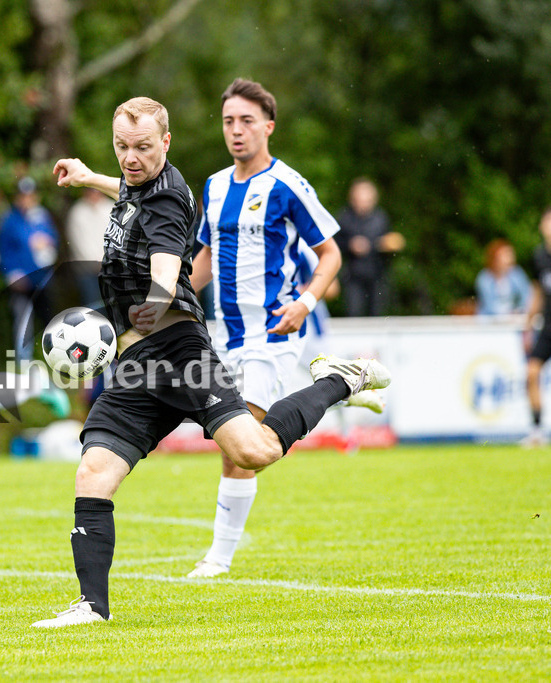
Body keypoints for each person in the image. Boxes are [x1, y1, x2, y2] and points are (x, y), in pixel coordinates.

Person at [33, 96, 390, 627]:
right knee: (94, 470)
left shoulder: (170, 201)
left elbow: (163, 265)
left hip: (178, 350)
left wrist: (144, 312)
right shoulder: (145, 183)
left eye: (143, 148)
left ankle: (340, 379)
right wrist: (92, 177)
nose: (130, 158)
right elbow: (131, 191)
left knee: (255, 450)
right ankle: (92, 605)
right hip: (138, 365)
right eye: (121, 147)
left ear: (167, 143)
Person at [187, 78, 382, 579]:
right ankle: (335, 384)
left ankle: (218, 558)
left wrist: (307, 300)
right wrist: (170, 296)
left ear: (268, 127)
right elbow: (206, 254)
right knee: (238, 448)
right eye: (229, 121)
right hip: (223, 336)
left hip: (271, 334)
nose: (236, 130)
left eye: (246, 121)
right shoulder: (212, 185)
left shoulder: (287, 185)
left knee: (243, 446)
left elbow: (331, 253)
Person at [0, 177, 59, 360]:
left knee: (49, 319)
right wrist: (11, 273)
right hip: (21, 280)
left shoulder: (41, 215)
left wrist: (47, 242)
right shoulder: (9, 220)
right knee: (23, 322)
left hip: (42, 278)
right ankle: (23, 362)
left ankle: (57, 357)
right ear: (17, 197)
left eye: (30, 195)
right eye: (23, 196)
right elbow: (3, 250)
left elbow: (53, 240)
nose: (26, 199)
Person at [334, 177, 405, 316]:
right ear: (352, 199)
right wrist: (350, 245)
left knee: (377, 314)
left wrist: (383, 245)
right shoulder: (344, 217)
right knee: (353, 313)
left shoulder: (381, 217)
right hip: (353, 276)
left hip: (377, 275)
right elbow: (334, 244)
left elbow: (392, 243)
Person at [522, 207, 551, 446]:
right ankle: (536, 431)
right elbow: (538, 293)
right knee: (531, 374)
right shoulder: (539, 256)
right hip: (548, 328)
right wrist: (529, 322)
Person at [66, 186, 114, 308]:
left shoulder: (111, 208)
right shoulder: (77, 212)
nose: (94, 195)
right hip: (86, 269)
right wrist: (95, 261)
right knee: (92, 305)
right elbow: (77, 242)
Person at [475, 239, 531, 316]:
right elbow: (489, 305)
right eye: (505, 255)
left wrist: (520, 310)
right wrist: (507, 313)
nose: (510, 258)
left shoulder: (516, 273)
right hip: (490, 319)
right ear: (495, 257)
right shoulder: (485, 278)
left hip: (514, 317)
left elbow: (527, 295)